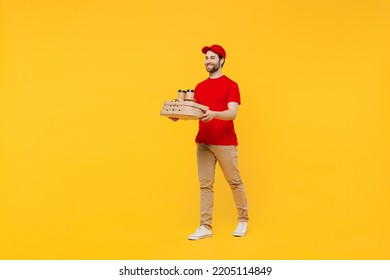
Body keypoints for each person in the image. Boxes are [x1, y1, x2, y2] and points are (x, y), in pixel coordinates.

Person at [172, 44, 249, 240]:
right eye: (206, 58)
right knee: (205, 185)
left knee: (234, 182)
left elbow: (232, 113)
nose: (208, 61)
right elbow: (195, 111)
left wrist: (214, 113)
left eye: (212, 58)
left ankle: (243, 219)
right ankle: (205, 226)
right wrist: (178, 114)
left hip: (225, 142)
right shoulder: (200, 86)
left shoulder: (231, 85)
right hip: (203, 142)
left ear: (221, 60)